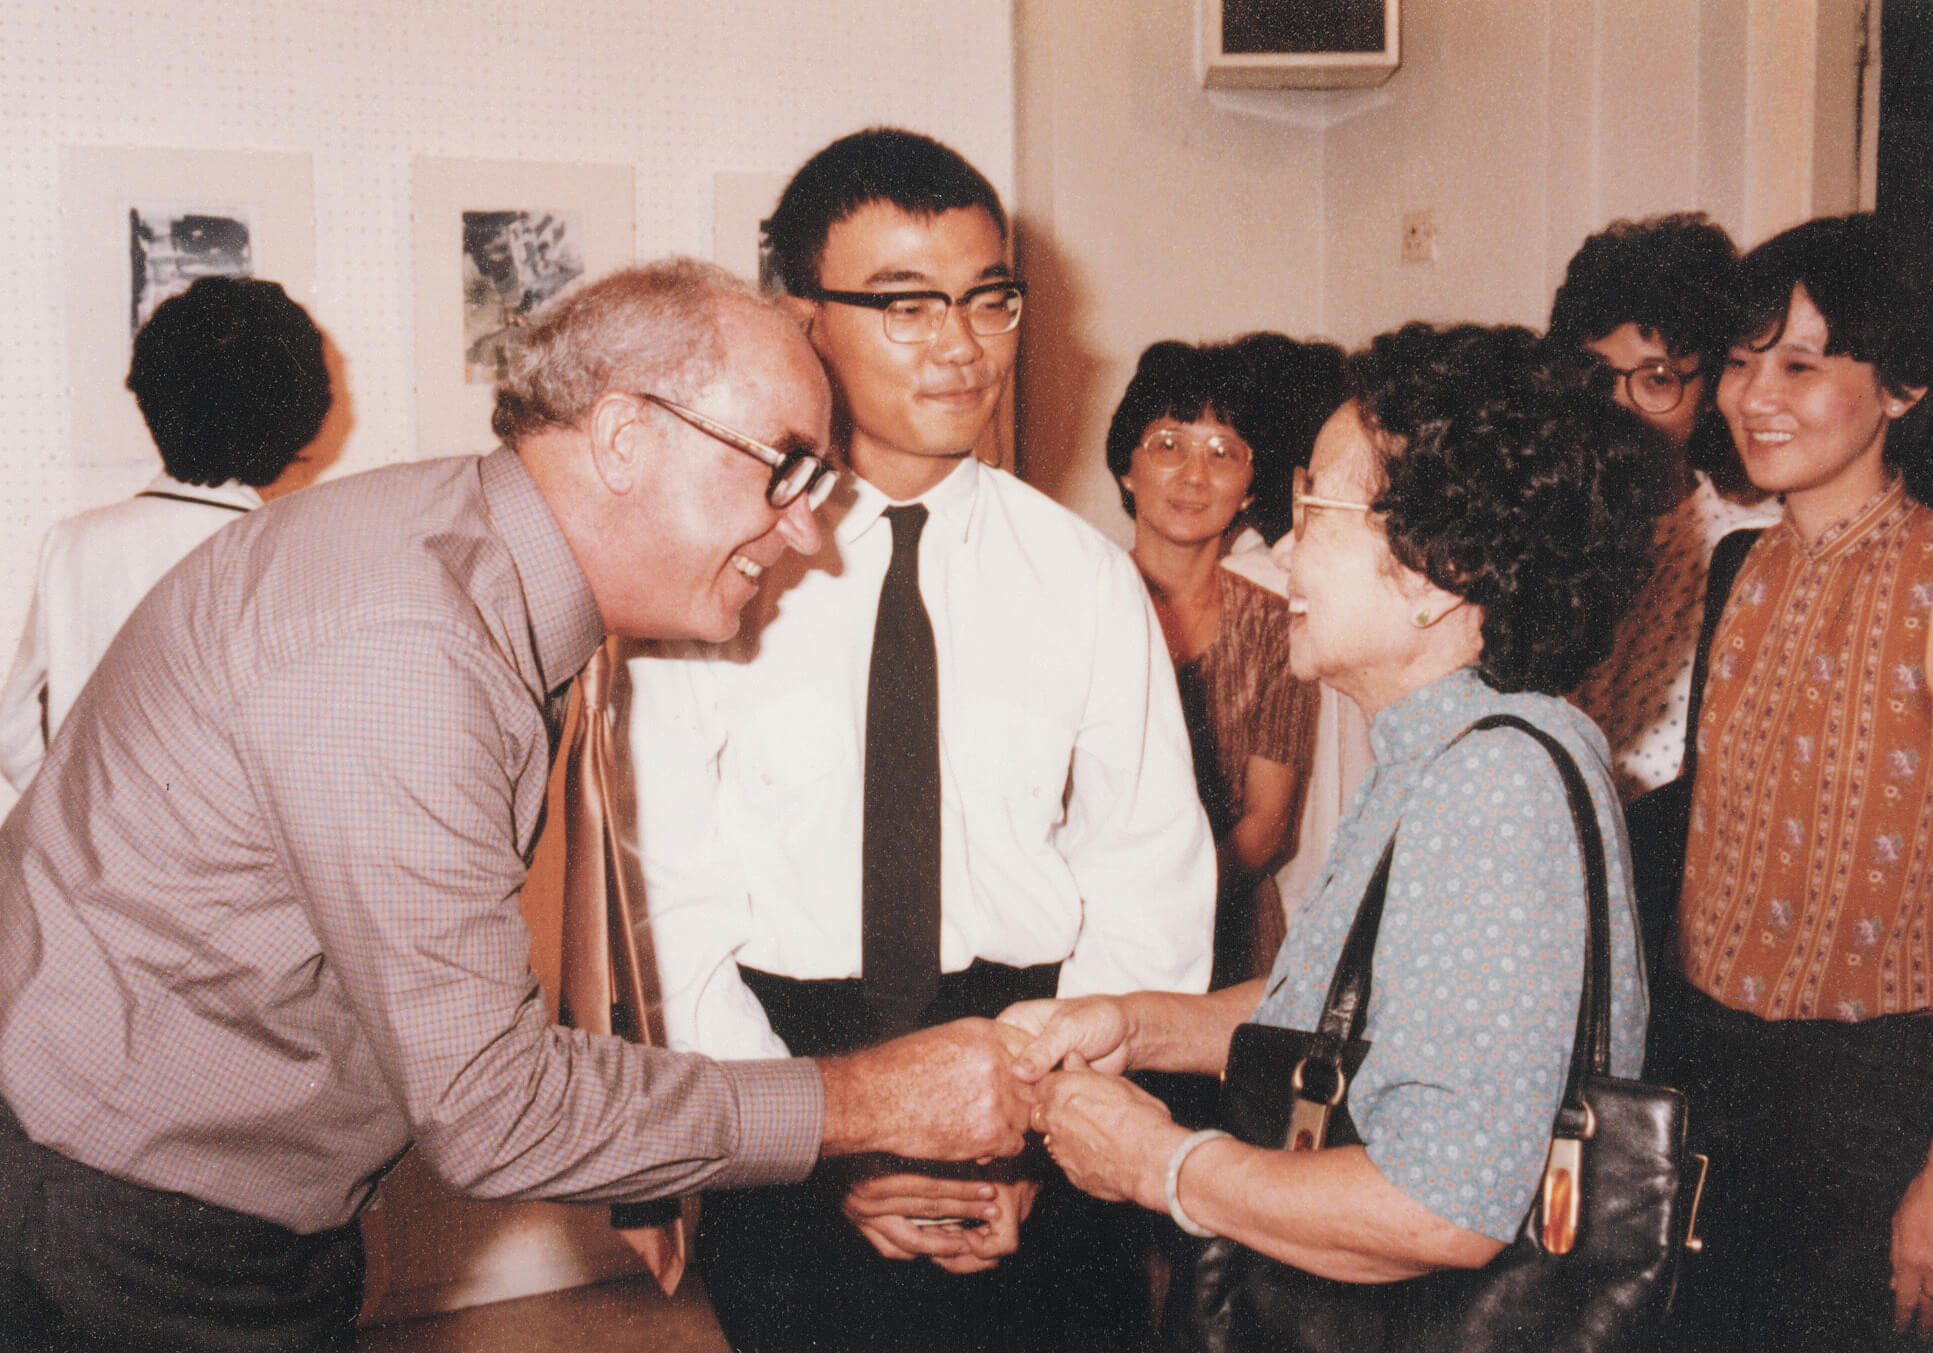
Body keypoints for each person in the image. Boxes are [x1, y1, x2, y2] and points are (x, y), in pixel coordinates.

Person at [0, 258, 1034, 1353]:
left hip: (172, 1180)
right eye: (784, 468)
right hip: (126, 1219)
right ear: (627, 437)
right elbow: (491, 1112)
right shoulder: (410, 649)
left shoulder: (466, 555)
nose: (805, 533)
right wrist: (869, 1100)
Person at [626, 128, 1215, 1352]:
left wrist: (1059, 1125)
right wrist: (816, 1136)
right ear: (803, 324)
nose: (960, 345)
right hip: (784, 1084)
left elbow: (1144, 875)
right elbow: (669, 901)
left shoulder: (1084, 580)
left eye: (987, 297)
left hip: (1040, 1082)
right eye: (905, 305)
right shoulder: (705, 582)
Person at [1002, 323, 1656, 1320]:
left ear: (1436, 571)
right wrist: (1133, 1027)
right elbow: (1345, 1016)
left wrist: (1161, 1163)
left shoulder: (1491, 787)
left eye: (1318, 510)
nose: (1289, 544)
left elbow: (1437, 1206)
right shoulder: (1444, 750)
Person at [1650, 211, 1933, 1352]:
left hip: (1874, 1101)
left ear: (1903, 387)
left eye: (1801, 365)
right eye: (1738, 360)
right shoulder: (1731, 569)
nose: (1752, 394)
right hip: (1705, 1078)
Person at [0, 275, 334, 791]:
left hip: (90, 854)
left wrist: (64, 817)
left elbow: (14, 726)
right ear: (298, 412)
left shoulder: (73, 543)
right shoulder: (288, 555)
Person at [1104, 335, 1326, 986]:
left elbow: (1266, 826)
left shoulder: (1279, 625)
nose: (1192, 477)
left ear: (1251, 483)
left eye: (1223, 453)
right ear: (1126, 466)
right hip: (1094, 934)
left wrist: (1165, 902)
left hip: (1231, 944)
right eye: (1168, 444)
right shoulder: (1075, 604)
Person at [1551, 213, 1782, 805]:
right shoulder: (1542, 526)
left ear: (1710, 394)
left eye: (1657, 380)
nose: (1618, 406)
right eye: (1596, 375)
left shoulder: (1750, 548)